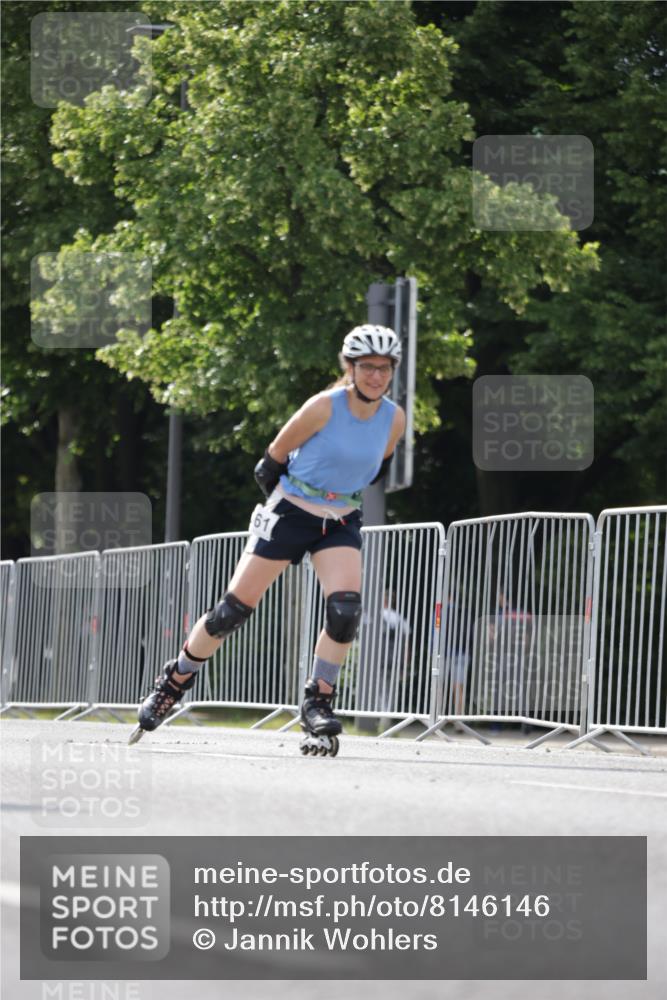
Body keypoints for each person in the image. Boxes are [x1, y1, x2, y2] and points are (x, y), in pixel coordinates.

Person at [131, 325, 406, 755]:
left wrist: (333, 503)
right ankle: (174, 680)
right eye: (367, 367)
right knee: (232, 611)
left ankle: (318, 700)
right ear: (349, 368)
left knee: (345, 611)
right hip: (290, 511)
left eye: (384, 368)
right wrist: (285, 515)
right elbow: (270, 463)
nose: (376, 376)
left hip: (339, 519)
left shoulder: (395, 418)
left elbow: (377, 471)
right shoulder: (323, 407)